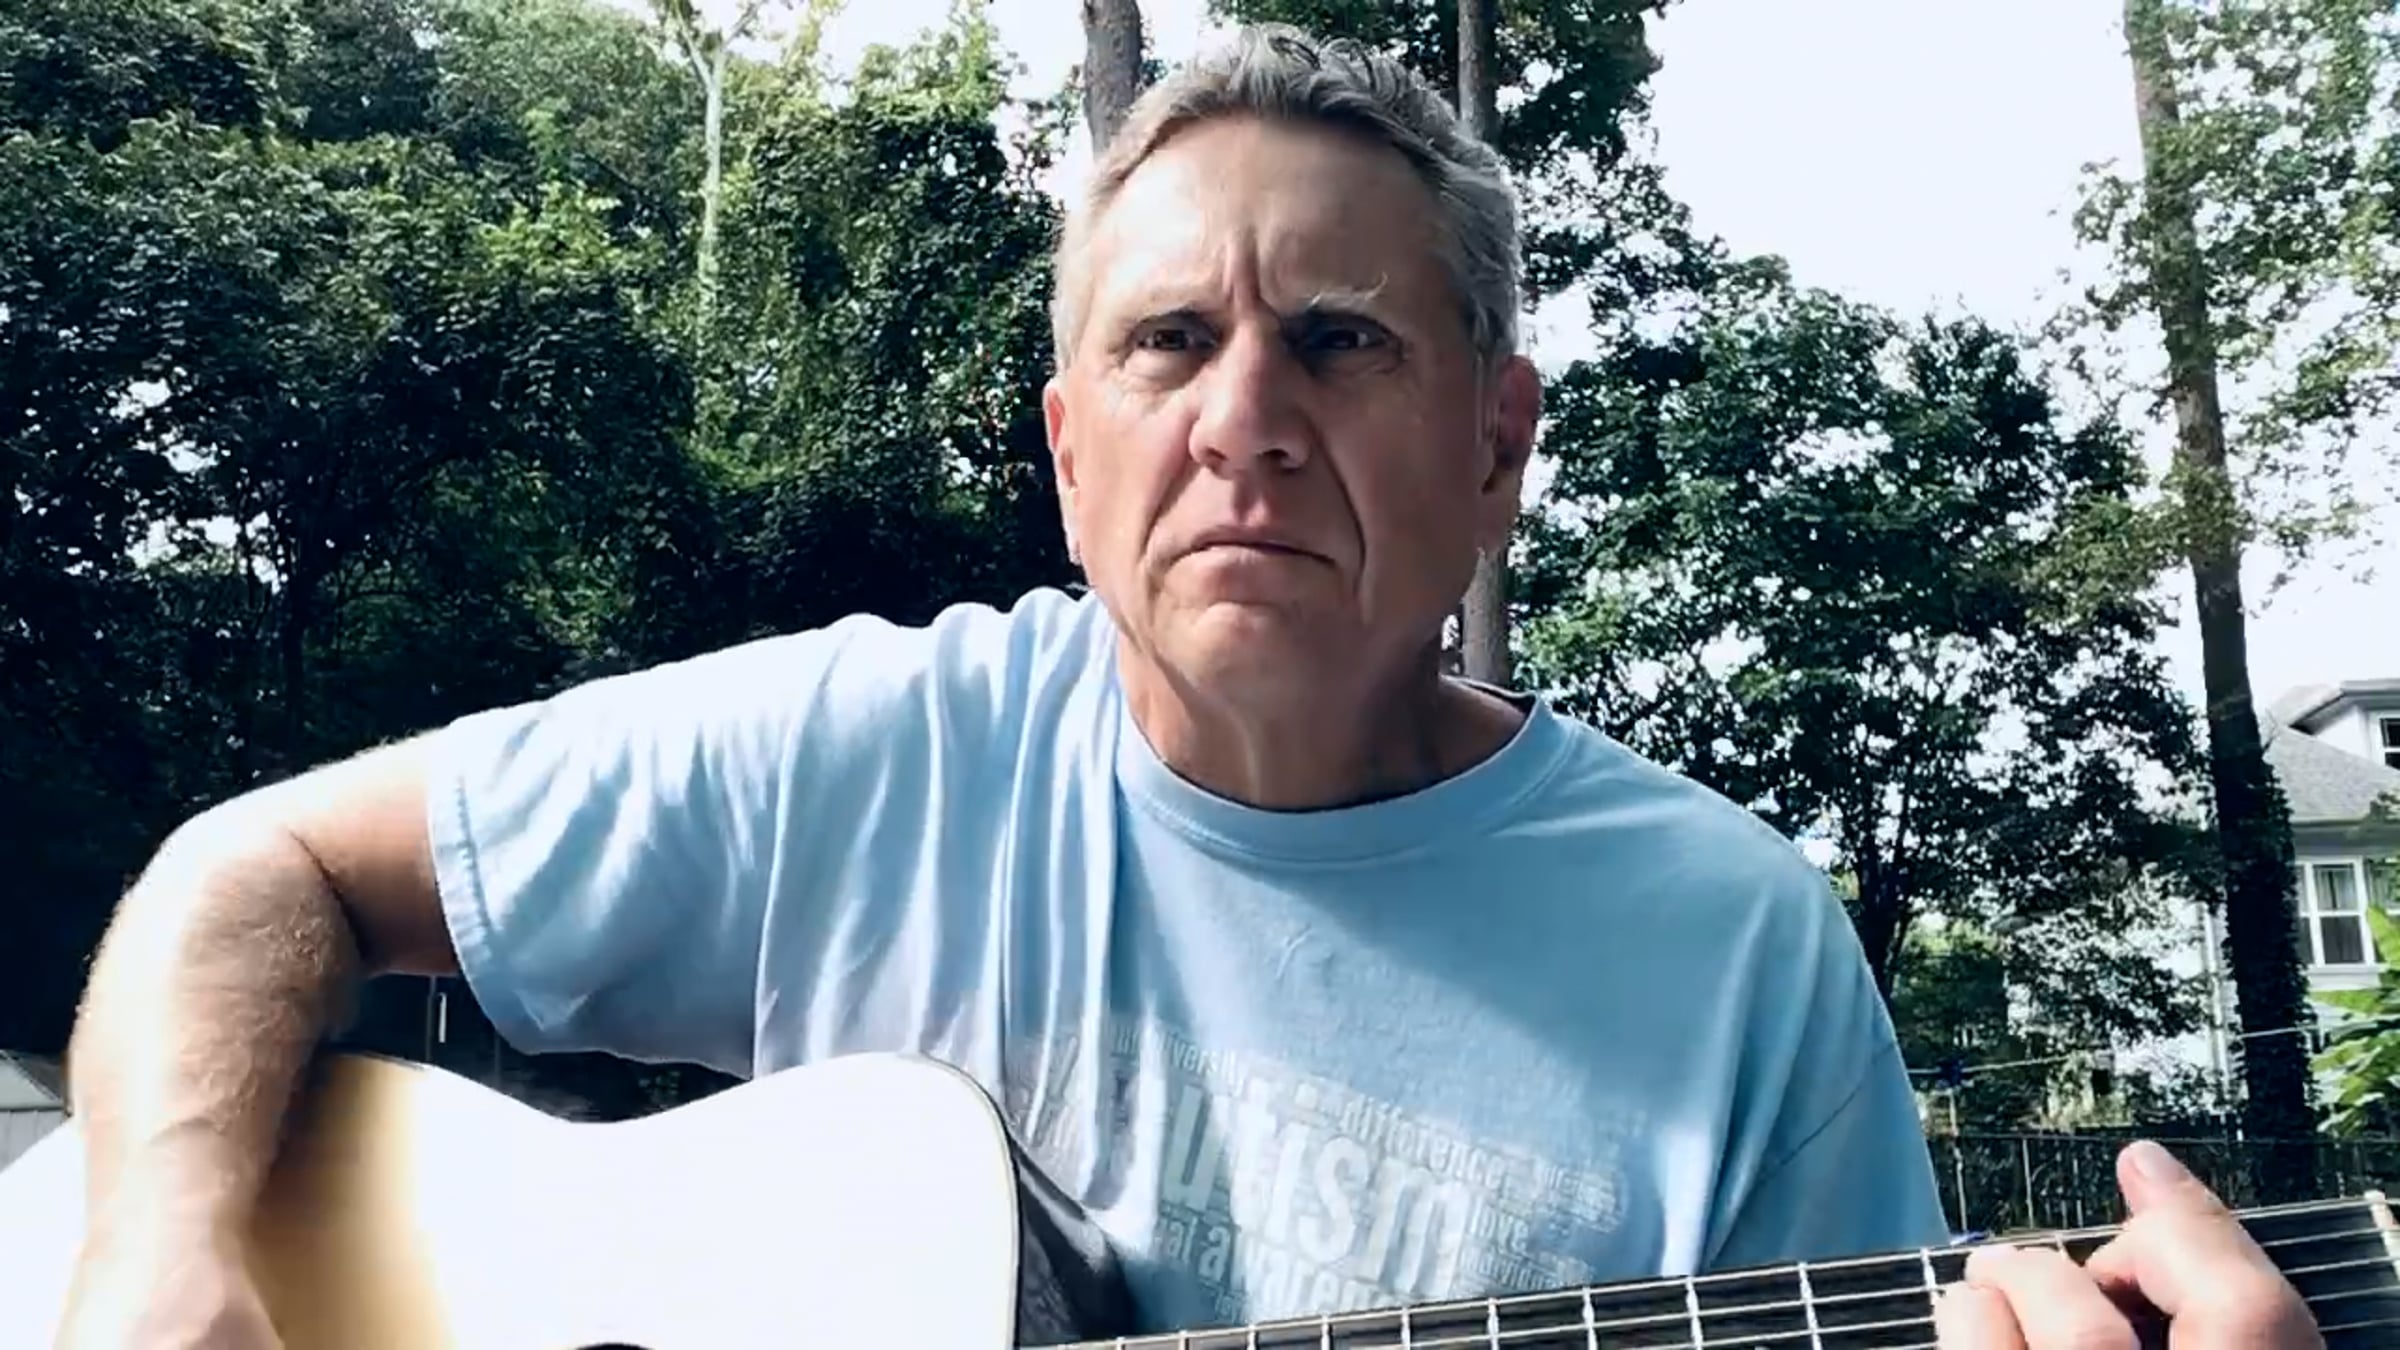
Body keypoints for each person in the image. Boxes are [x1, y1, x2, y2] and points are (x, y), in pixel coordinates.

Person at [53, 22, 2318, 1350]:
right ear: (1071, 457)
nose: (1245, 420)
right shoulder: (877, 750)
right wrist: (159, 1255)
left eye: (1337, 340)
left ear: (1499, 447)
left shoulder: (1736, 953)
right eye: (1166, 342)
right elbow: (251, 871)